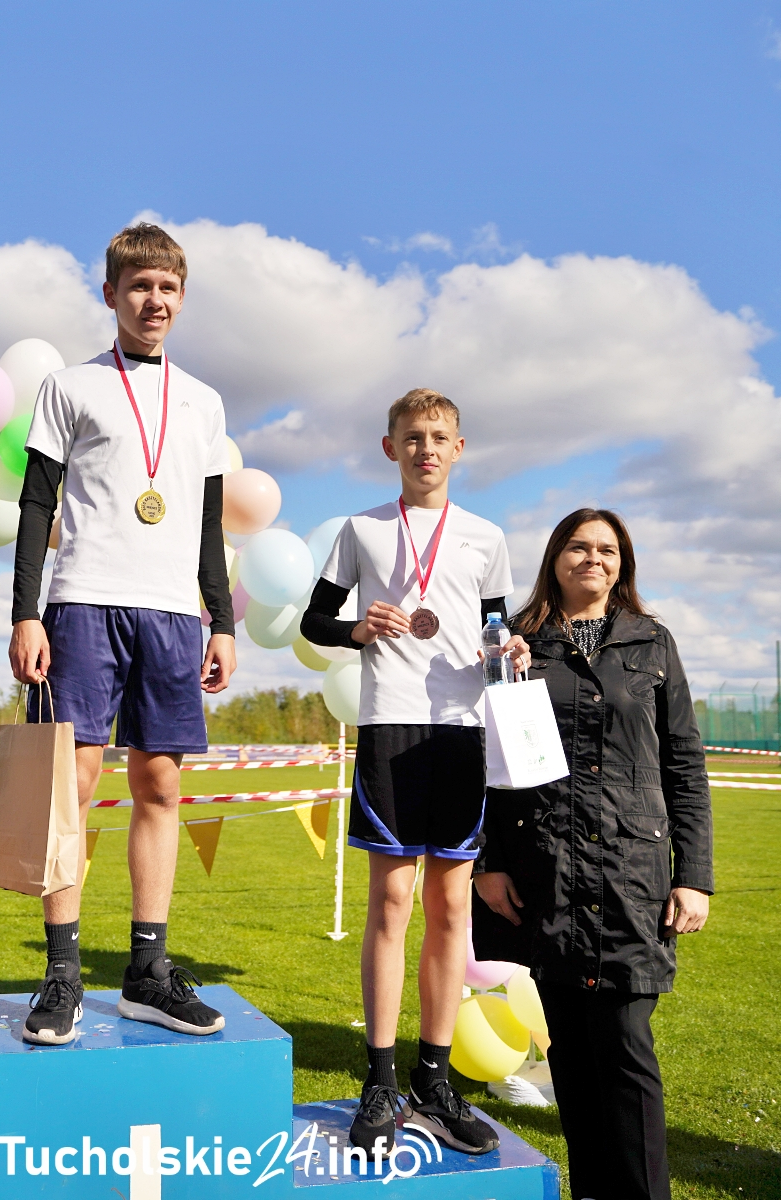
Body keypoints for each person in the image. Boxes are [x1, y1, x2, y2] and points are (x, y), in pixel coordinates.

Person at [7, 222, 236, 1045]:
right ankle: (62, 974)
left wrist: (223, 620)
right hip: (83, 603)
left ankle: (147, 973)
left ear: (183, 297)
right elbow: (37, 504)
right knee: (68, 789)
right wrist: (25, 610)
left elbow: (208, 524)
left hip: (172, 613)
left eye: (168, 287)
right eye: (139, 285)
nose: (154, 300)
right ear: (111, 294)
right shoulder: (69, 387)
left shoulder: (205, 401)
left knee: (161, 788)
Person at [300, 388, 529, 1158]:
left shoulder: (486, 536)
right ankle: (380, 1081)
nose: (426, 448)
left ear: (458, 448)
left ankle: (433, 1082)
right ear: (390, 446)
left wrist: (510, 649)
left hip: (462, 730)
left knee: (451, 908)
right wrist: (356, 628)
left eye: (439, 437)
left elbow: (497, 628)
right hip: (391, 724)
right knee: (392, 901)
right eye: (412, 436)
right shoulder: (361, 529)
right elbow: (314, 620)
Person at [472, 507, 713, 1200]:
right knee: (572, 1055)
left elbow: (684, 762)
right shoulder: (517, 643)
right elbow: (487, 755)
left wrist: (694, 875)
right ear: (555, 558)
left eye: (608, 549)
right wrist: (488, 861)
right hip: (545, 868)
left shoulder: (652, 642)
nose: (593, 559)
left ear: (622, 563)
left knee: (627, 1048)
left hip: (632, 872)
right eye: (579, 547)